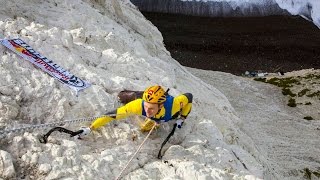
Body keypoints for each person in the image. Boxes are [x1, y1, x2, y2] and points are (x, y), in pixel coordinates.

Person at [79, 85, 193, 137]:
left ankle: (156, 121)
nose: (147, 111)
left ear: (160, 105)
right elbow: (111, 115)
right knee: (122, 96)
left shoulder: (174, 105)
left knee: (145, 128)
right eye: (146, 107)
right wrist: (91, 128)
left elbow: (189, 96)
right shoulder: (139, 105)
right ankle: (134, 94)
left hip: (168, 113)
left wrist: (182, 118)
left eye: (151, 108)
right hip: (141, 100)